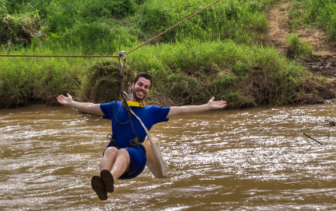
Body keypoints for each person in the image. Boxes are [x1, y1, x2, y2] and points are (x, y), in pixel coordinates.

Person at [57, 73, 226, 200]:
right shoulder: (116, 106)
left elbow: (182, 109)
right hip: (115, 159)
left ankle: (108, 180)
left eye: (146, 87)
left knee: (123, 152)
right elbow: (91, 107)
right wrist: (72, 103)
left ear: (148, 91)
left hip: (135, 160)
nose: (142, 88)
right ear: (133, 85)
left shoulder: (151, 112)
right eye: (140, 84)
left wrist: (207, 106)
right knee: (110, 150)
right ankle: (102, 183)